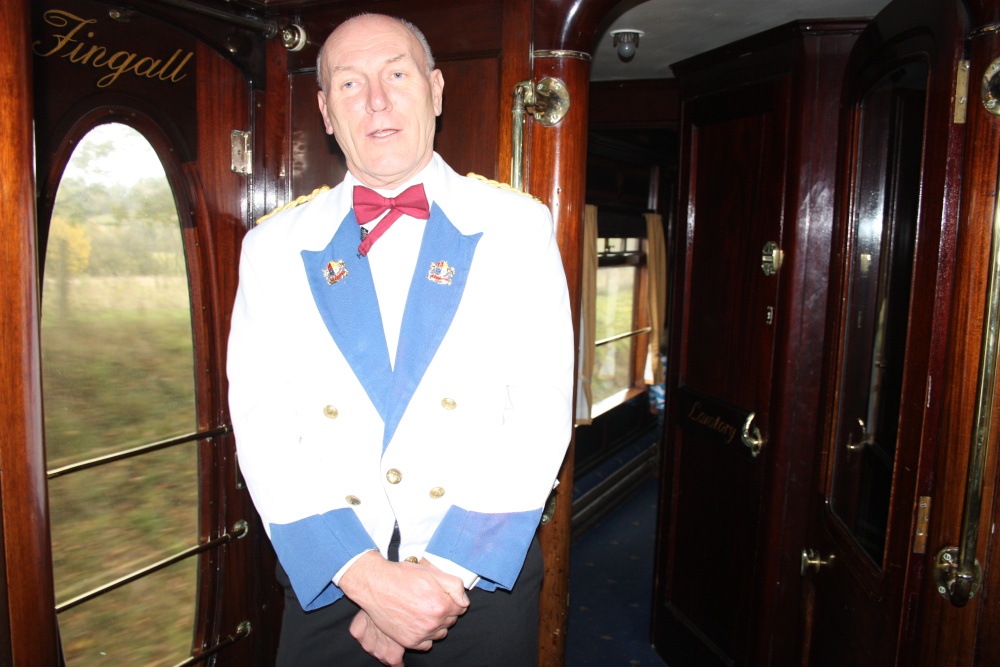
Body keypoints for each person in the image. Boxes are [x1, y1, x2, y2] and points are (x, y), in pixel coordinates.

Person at [226, 12, 574, 667]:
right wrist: (365, 577)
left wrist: (436, 583)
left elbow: (539, 413)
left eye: (396, 74)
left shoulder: (518, 227)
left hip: (474, 579)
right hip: (332, 578)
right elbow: (262, 425)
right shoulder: (272, 248)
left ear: (436, 90)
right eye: (351, 84)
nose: (377, 100)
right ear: (327, 112)